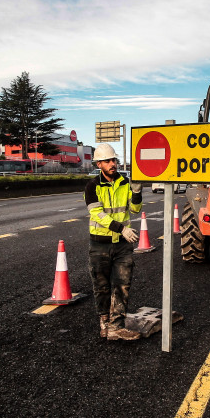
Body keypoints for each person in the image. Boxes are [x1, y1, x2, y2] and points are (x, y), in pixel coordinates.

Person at [84, 143, 144, 341]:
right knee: (101, 285)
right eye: (108, 161)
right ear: (99, 164)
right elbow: (97, 214)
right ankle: (104, 323)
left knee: (122, 284)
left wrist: (136, 192)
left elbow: (135, 209)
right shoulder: (92, 186)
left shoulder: (125, 182)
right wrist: (122, 228)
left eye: (114, 160)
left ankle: (116, 326)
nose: (112, 164)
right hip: (100, 244)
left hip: (122, 244)